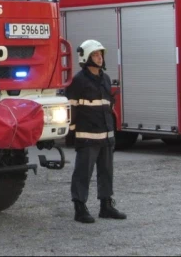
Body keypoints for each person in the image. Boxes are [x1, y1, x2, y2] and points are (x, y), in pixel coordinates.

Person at [66, 39, 127, 224]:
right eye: (95, 55)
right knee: (83, 173)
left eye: (100, 55)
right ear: (86, 57)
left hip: (106, 136)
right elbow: (71, 108)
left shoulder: (105, 78)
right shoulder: (78, 81)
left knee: (106, 172)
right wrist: (73, 132)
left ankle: (106, 206)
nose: (99, 58)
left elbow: (108, 106)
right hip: (87, 137)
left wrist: (111, 133)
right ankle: (79, 208)